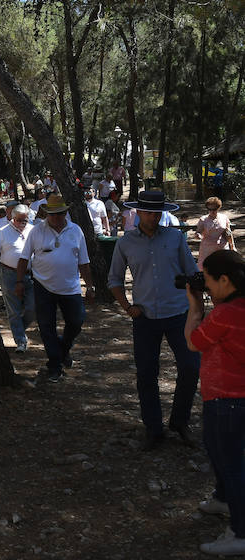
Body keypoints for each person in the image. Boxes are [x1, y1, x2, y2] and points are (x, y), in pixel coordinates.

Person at [108, 190, 201, 451]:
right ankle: (153, 428)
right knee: (147, 374)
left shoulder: (175, 237)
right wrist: (127, 307)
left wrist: (195, 310)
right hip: (145, 317)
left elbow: (192, 275)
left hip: (178, 314)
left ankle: (180, 422)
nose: (153, 217)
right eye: (148, 212)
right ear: (137, 212)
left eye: (157, 212)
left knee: (191, 366)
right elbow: (114, 280)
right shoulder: (125, 242)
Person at [184, 250, 245, 556]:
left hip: (227, 400)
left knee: (232, 464)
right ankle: (223, 497)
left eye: (207, 279)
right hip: (231, 398)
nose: (204, 285)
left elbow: (193, 342)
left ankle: (241, 533)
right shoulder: (235, 307)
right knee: (219, 453)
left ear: (224, 279)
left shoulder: (223, 314)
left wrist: (195, 307)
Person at [16, 194, 95, 382]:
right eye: (52, 214)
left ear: (65, 212)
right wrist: (19, 282)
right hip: (43, 285)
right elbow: (24, 258)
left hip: (71, 287)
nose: (56, 217)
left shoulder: (76, 231)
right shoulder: (36, 231)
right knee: (46, 326)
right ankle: (54, 364)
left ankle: (62, 350)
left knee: (76, 321)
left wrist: (90, 286)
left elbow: (84, 262)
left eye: (59, 213)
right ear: (46, 213)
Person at [0, 204, 35, 353]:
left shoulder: (32, 230)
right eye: (20, 220)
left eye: (25, 220)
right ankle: (20, 340)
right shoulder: (3, 232)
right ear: (13, 219)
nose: (23, 223)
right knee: (13, 310)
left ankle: (19, 328)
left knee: (32, 307)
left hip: (30, 274)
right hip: (9, 274)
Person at [196, 196, 237, 270]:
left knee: (223, 269)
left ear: (218, 208)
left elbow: (228, 233)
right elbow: (198, 232)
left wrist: (232, 246)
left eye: (214, 209)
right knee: (208, 270)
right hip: (207, 250)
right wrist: (198, 235)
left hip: (222, 248)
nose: (212, 211)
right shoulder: (203, 219)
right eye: (209, 209)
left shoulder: (224, 218)